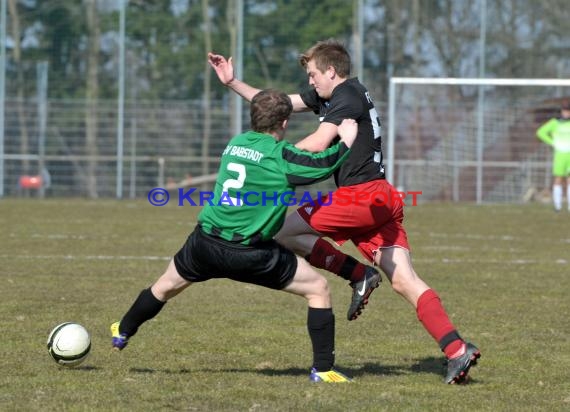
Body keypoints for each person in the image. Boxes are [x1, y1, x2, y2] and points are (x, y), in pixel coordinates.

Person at [208, 39, 481, 384]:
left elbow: (320, 143)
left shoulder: (346, 97)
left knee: (282, 231)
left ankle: (357, 275)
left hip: (362, 197)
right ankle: (456, 349)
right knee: (405, 281)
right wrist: (233, 82)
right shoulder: (332, 95)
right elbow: (275, 106)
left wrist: (272, 159)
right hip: (381, 198)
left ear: (331, 72)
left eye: (312, 75)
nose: (309, 82)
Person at [111, 89, 359, 383]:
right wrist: (346, 140)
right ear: (284, 123)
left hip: (204, 243)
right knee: (318, 288)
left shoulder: (235, 143)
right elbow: (323, 166)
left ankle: (123, 330)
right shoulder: (281, 156)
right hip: (250, 254)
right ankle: (323, 369)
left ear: (253, 118)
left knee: (164, 287)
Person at [536, 99, 570, 212]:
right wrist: (552, 142)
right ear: (561, 111)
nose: (566, 113)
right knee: (558, 179)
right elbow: (540, 132)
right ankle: (557, 205)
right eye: (565, 111)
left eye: (568, 111)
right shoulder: (555, 123)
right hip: (560, 154)